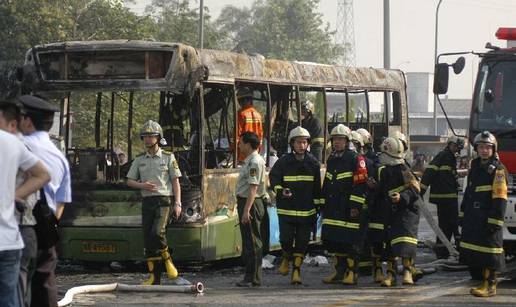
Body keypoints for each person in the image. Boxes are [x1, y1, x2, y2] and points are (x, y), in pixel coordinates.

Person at [17, 95, 72, 307]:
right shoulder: (59, 157)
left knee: (16, 287)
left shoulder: (17, 147)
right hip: (47, 230)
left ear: (27, 121)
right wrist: (48, 227)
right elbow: (61, 203)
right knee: (45, 287)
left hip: (19, 225)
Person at [0, 100, 50, 307]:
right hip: (11, 238)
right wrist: (11, 196)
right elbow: (44, 174)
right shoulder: (13, 143)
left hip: (22, 229)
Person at [126, 120, 182, 285]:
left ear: (158, 138)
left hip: (164, 200)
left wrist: (178, 203)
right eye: (145, 136)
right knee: (148, 240)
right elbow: (129, 181)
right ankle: (154, 277)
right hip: (147, 201)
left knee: (158, 232)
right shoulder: (139, 160)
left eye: (152, 136)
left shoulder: (168, 157)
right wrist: (142, 185)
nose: (148, 139)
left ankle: (168, 259)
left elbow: (176, 182)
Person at [269, 126, 321, 284]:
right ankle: (286, 257)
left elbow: (317, 188)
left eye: (304, 142)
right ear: (292, 144)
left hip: (307, 212)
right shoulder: (283, 162)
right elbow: (274, 179)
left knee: (302, 243)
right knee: (285, 239)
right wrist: (281, 190)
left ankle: (296, 272)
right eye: (298, 142)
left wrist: (318, 206)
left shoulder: (313, 163)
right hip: (287, 210)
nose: (301, 145)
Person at [460, 131, 507, 298]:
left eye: (487, 147)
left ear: (493, 149)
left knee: (490, 252)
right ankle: (483, 282)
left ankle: (490, 285)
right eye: (481, 147)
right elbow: (469, 192)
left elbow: (500, 197)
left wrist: (495, 220)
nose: (484, 150)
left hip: (488, 218)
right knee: (479, 251)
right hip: (474, 217)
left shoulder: (498, 170)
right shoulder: (475, 167)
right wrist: (462, 213)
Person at [321, 124, 368, 285]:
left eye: (340, 139)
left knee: (350, 241)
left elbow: (360, 185)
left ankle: (352, 273)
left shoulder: (356, 159)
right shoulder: (332, 159)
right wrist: (323, 203)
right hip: (334, 207)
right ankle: (339, 272)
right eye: (335, 139)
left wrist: (355, 206)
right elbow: (327, 182)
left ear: (347, 141)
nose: (337, 142)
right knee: (336, 241)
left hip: (349, 208)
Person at [377, 136, 422, 287]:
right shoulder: (385, 170)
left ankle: (408, 271)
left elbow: (415, 189)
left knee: (405, 244)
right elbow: (382, 190)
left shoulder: (404, 169)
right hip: (390, 212)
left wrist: (401, 197)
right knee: (389, 245)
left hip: (406, 213)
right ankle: (391, 274)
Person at [420, 136, 464, 259]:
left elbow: (451, 176)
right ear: (449, 145)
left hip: (448, 196)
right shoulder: (444, 155)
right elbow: (430, 172)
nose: (456, 149)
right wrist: (421, 191)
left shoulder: (450, 157)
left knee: (446, 225)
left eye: (457, 148)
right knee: (452, 223)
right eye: (454, 146)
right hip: (446, 197)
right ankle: (458, 251)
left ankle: (443, 251)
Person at [235, 131, 267, 287]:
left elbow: (253, 188)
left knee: (253, 240)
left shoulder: (254, 162)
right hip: (247, 202)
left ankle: (253, 277)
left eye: (241, 142)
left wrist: (246, 210)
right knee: (248, 240)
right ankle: (250, 276)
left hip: (251, 203)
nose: (239, 145)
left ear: (248, 144)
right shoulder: (249, 160)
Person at [236, 87, 263, 162]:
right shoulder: (258, 115)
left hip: (243, 154)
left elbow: (237, 134)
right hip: (255, 153)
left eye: (239, 101)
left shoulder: (241, 114)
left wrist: (232, 148)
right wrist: (258, 150)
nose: (239, 103)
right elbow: (260, 135)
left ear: (244, 100)